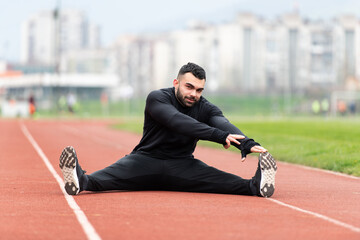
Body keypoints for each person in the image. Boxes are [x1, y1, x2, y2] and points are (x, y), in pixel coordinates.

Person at [59, 62, 277, 198]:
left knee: (228, 183)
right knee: (99, 180)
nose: (194, 94)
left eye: (199, 90)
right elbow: (177, 121)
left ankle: (256, 186)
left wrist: (246, 142)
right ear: (176, 83)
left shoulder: (205, 107)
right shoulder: (158, 98)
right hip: (144, 161)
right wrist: (220, 137)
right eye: (189, 87)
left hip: (183, 165)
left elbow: (222, 122)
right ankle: (78, 180)